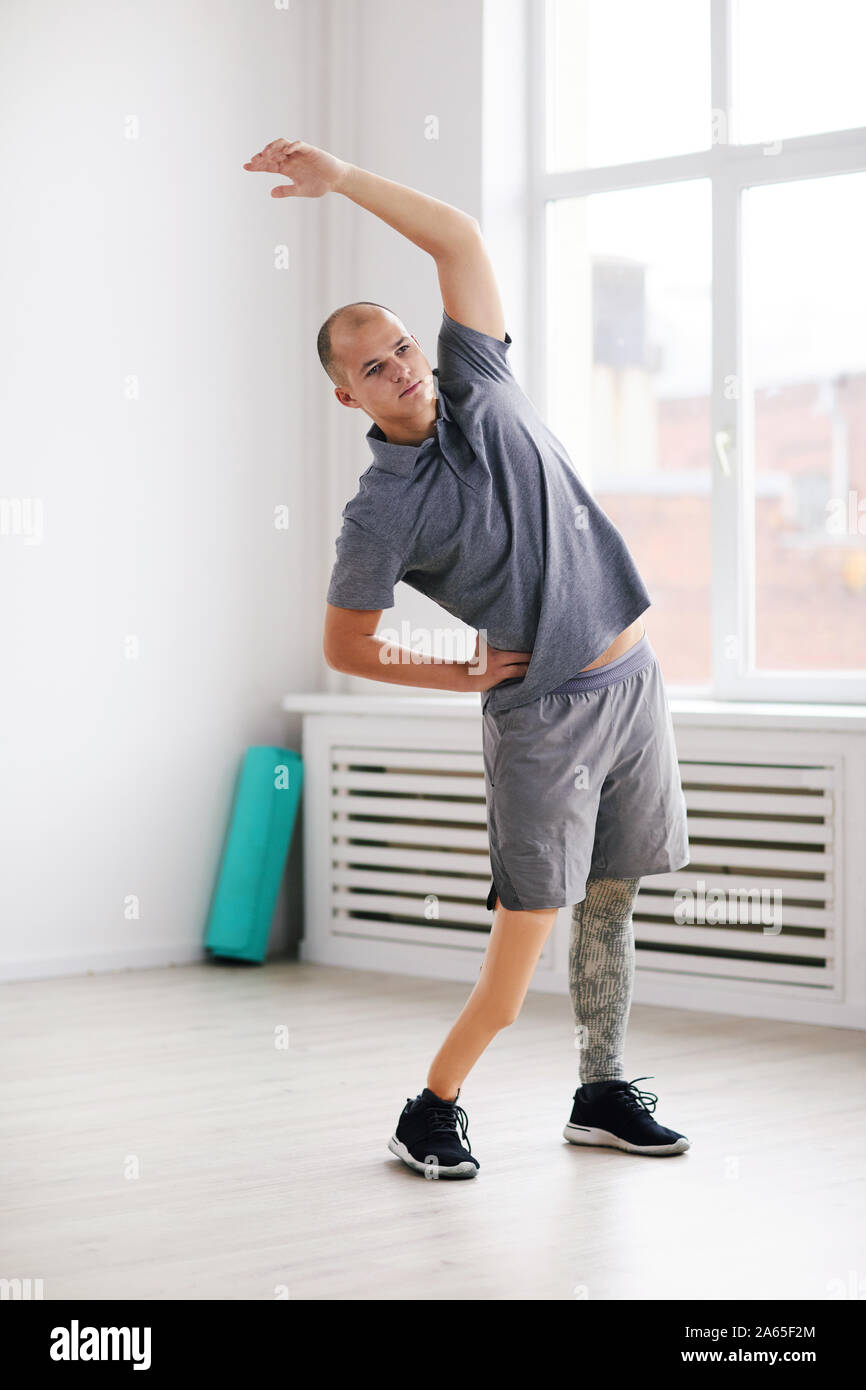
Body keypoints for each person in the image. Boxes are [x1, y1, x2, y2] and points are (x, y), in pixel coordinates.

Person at [244, 138, 692, 1177]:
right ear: (348, 397)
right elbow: (343, 640)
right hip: (545, 718)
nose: (400, 365)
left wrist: (344, 178)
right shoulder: (380, 511)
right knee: (517, 950)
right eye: (372, 365)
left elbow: (458, 237)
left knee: (611, 902)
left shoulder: (479, 376)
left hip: (634, 682)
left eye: (400, 343)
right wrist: (451, 673)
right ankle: (430, 1104)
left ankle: (601, 1088)